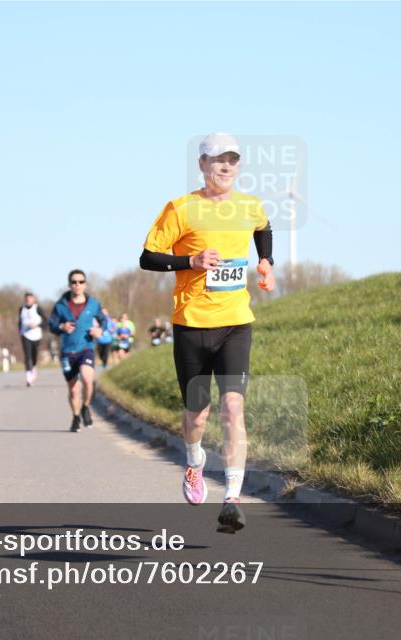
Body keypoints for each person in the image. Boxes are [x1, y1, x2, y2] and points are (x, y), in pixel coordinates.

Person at [139, 132, 275, 533]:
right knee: (197, 415)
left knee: (233, 407)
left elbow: (263, 228)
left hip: (235, 322)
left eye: (232, 159)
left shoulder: (249, 205)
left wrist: (266, 261)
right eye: (218, 159)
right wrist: (190, 261)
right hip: (191, 325)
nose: (226, 166)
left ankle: (232, 498)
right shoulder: (181, 209)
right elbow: (148, 257)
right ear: (202, 164)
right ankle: (194, 460)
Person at [48, 269, 107, 432]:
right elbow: (51, 325)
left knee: (87, 380)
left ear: (85, 284)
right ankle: (75, 417)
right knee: (74, 390)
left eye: (81, 282)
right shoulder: (61, 305)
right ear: (69, 285)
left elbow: (103, 320)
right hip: (67, 351)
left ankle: (86, 406)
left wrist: (100, 330)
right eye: (74, 282)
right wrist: (61, 326)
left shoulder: (93, 304)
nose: (77, 285)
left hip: (86, 348)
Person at [18, 292, 48, 387]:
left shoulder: (37, 308)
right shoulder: (21, 309)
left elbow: (46, 320)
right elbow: (20, 321)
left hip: (36, 335)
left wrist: (37, 325)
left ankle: (33, 368)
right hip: (25, 335)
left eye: (30, 299)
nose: (28, 300)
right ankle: (29, 377)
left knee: (34, 355)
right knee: (27, 356)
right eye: (26, 299)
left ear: (33, 299)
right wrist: (20, 331)